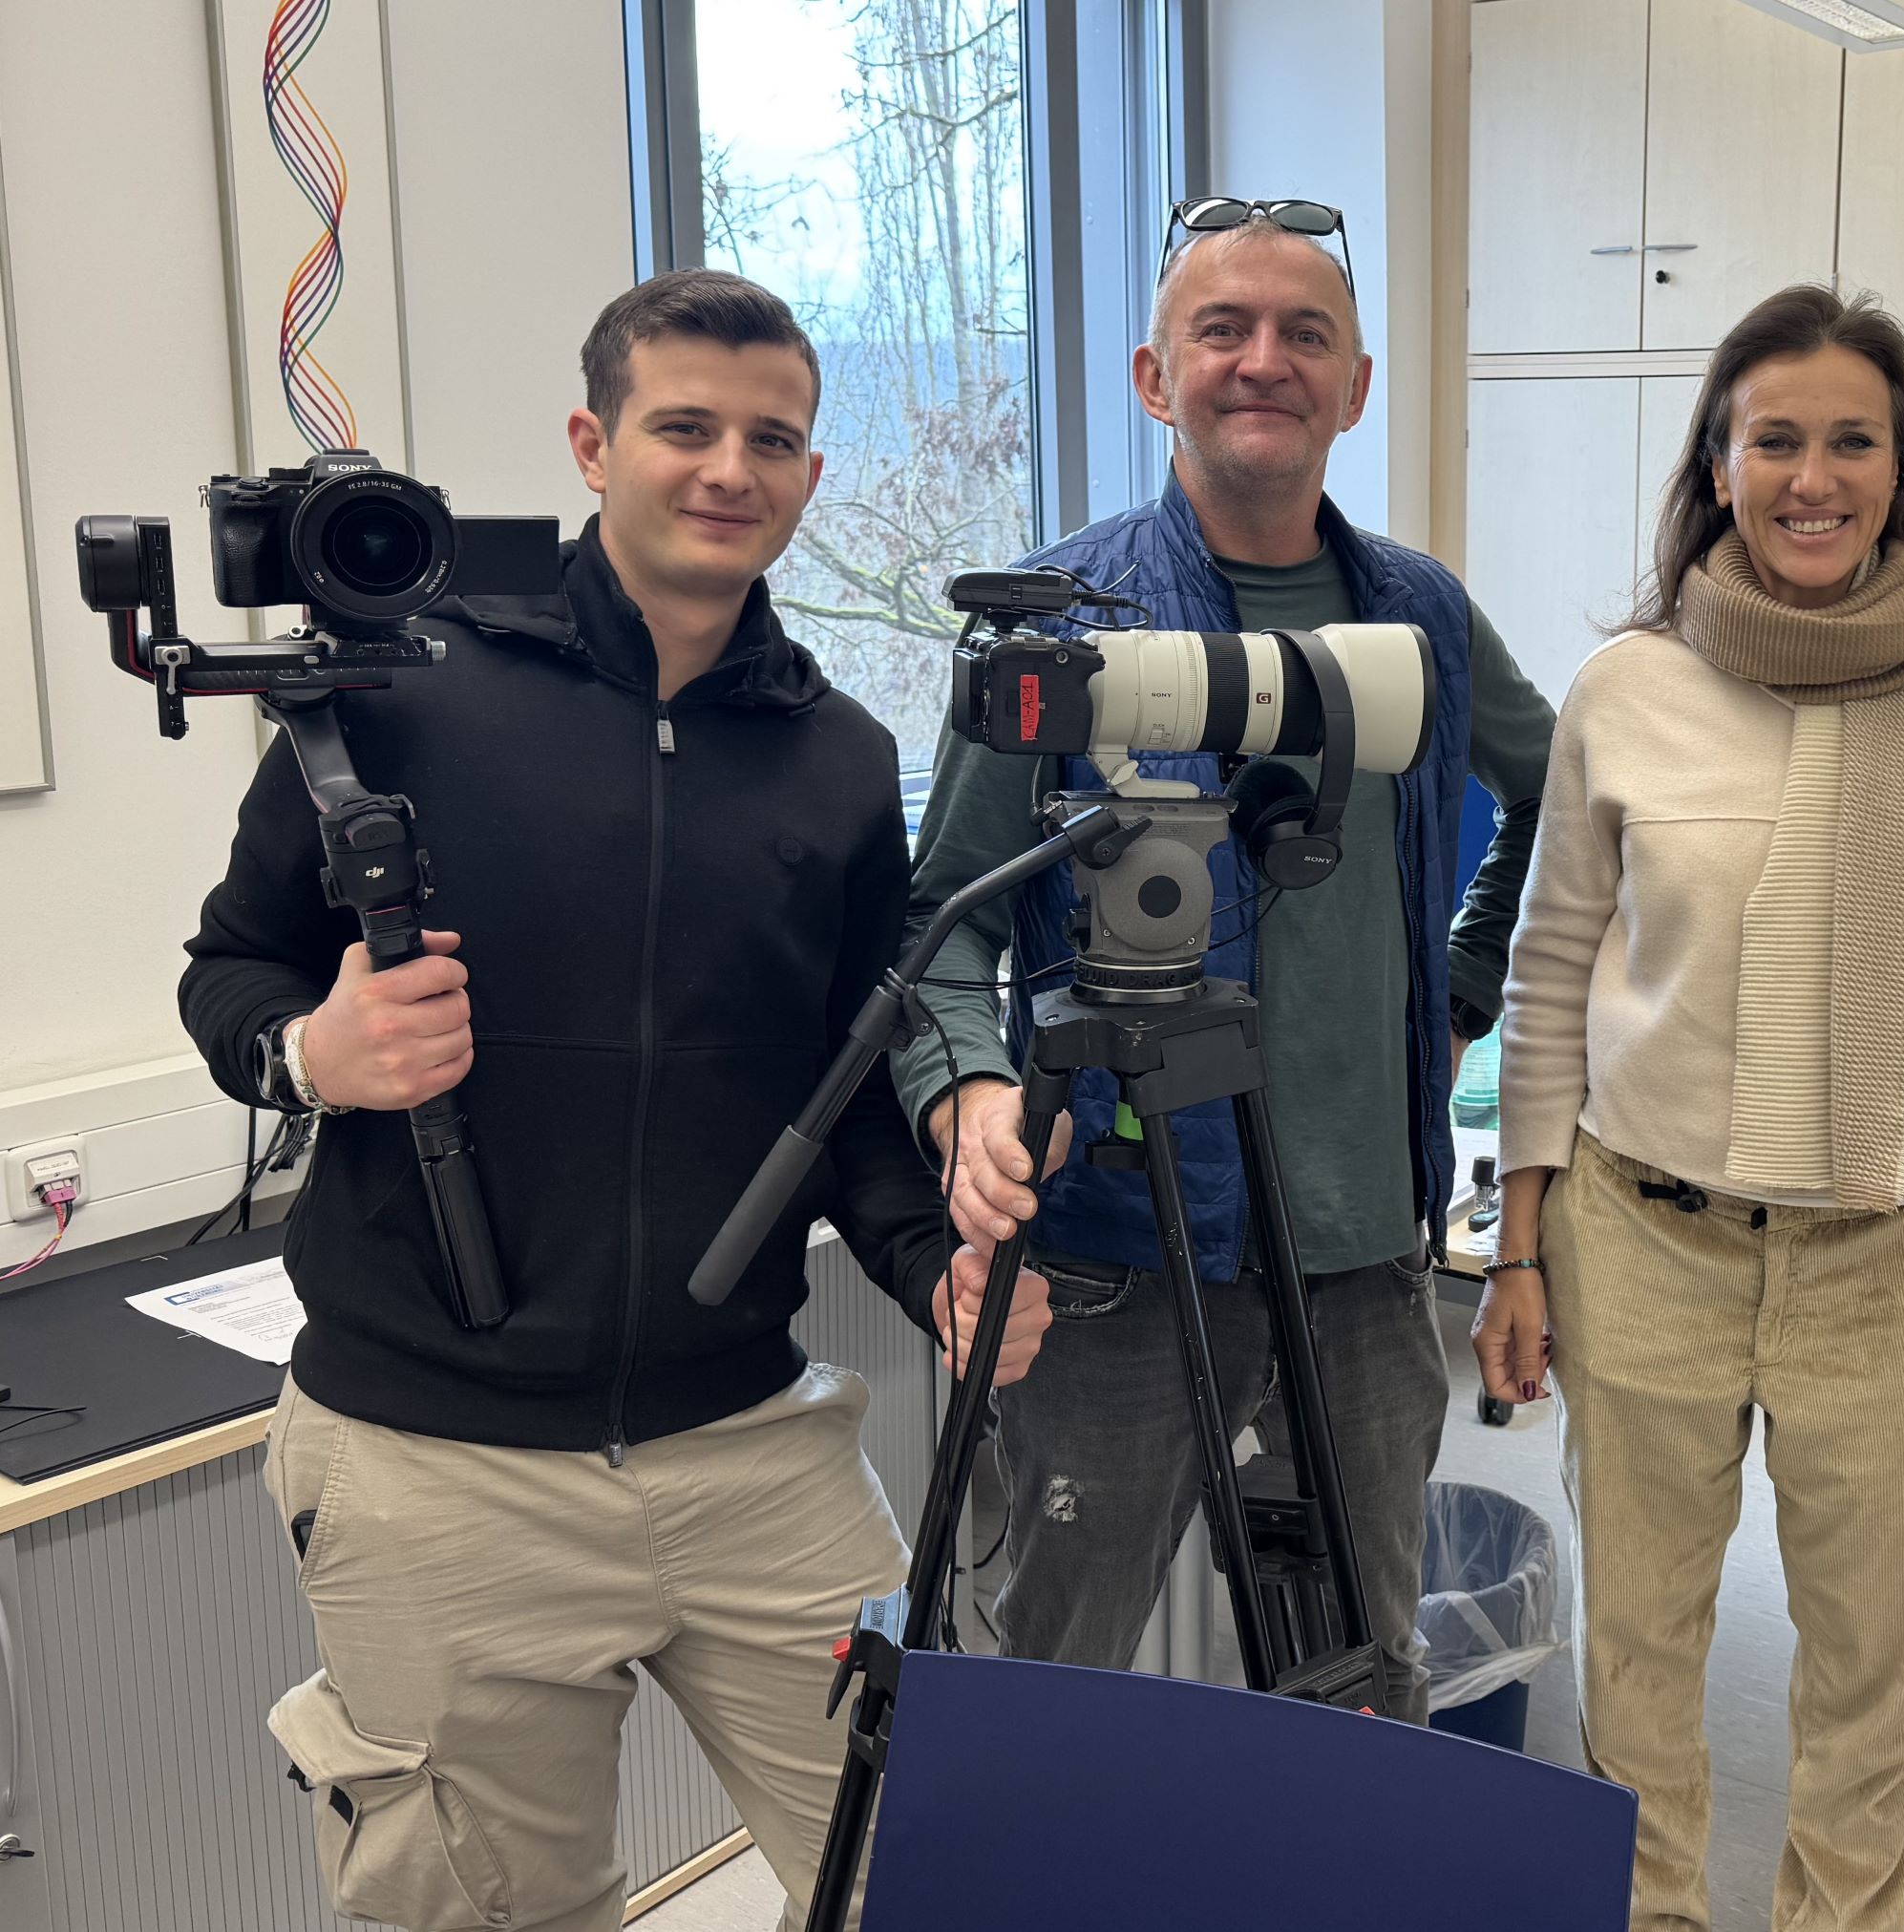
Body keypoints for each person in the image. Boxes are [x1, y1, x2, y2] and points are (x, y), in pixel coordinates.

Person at [181, 268, 1049, 1932]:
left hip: (750, 1442)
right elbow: (230, 971)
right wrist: (318, 1055)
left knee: (939, 1871)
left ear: (809, 474)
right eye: (686, 427)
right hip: (439, 1463)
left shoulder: (842, 761)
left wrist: (928, 1261)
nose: (731, 468)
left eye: (773, 439)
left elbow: (852, 1088)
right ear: (594, 443)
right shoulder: (394, 693)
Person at [894, 197, 1556, 1723]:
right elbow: (944, 924)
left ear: (1357, 384)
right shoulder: (1059, 629)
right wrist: (973, 1099)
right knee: (1055, 1688)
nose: (1264, 362)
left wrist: (1460, 990)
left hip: (1366, 1269)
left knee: (1362, 1685)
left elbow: (1563, 794)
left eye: (1303, 333)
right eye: (1224, 329)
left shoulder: (1424, 617)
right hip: (1119, 1256)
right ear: (1151, 375)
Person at [1476, 283, 1904, 1932]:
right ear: (1719, 462)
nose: (1814, 477)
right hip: (1641, 1240)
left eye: (1852, 441)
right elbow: (1550, 971)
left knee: (1873, 1689)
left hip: (1896, 1258)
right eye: (1776, 441)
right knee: (1641, 1668)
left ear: (1901, 465)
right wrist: (1520, 1248)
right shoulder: (1627, 685)